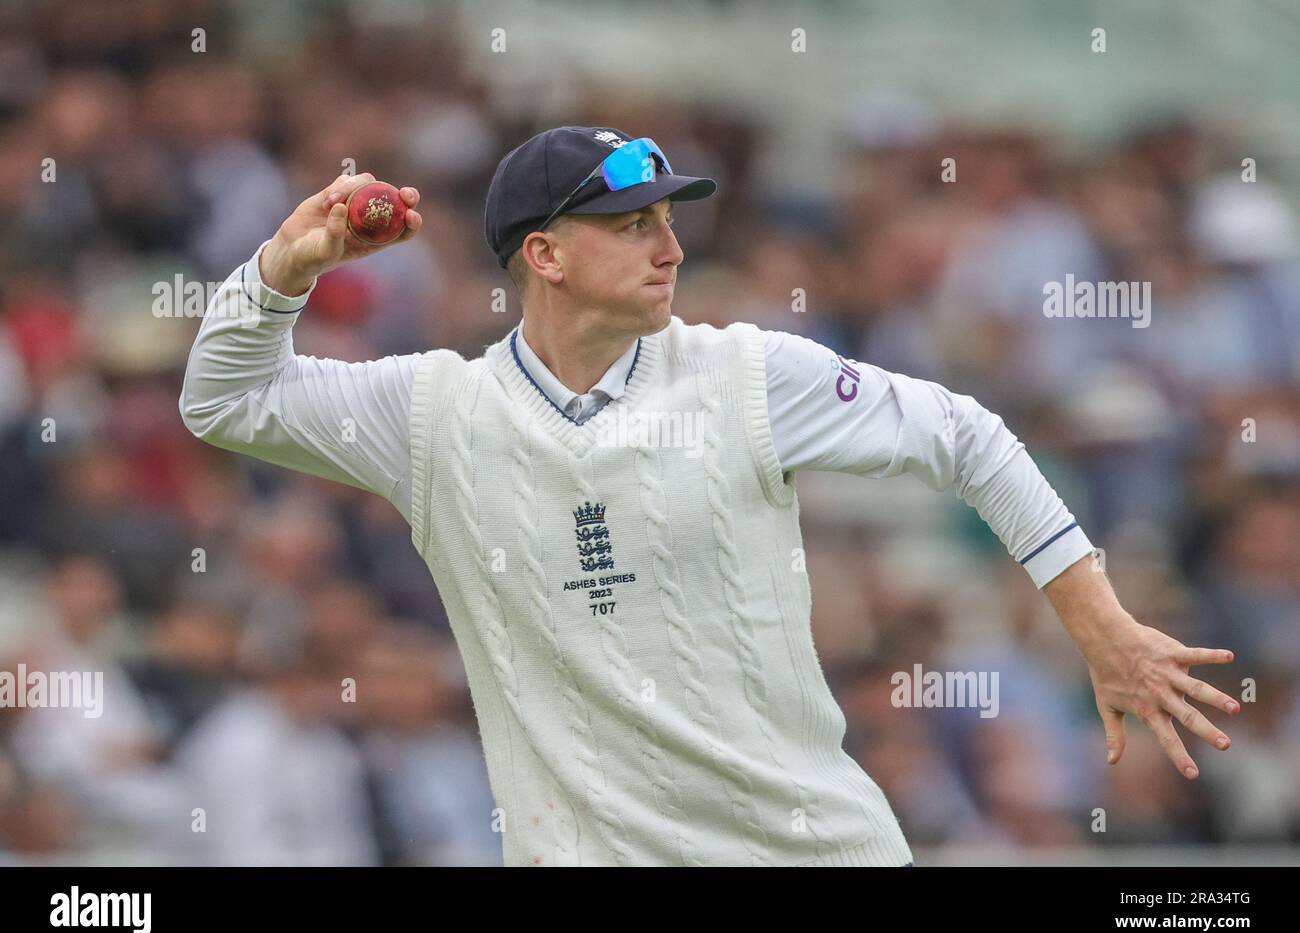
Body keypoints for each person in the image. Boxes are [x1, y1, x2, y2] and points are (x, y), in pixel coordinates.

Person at [179, 126, 1239, 866]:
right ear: (542, 254)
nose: (670, 246)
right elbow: (220, 400)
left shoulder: (747, 373)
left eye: (668, 219)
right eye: (632, 223)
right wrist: (285, 266)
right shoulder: (429, 412)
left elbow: (967, 435)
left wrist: (1098, 622)